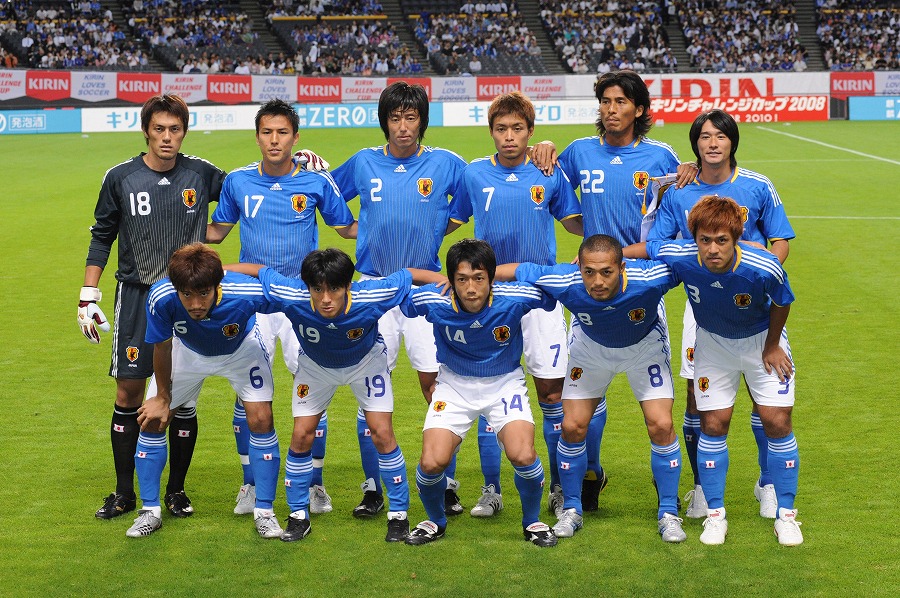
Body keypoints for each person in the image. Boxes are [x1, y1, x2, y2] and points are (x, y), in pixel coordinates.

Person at [529, 69, 686, 513]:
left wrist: (631, 255)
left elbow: (674, 219)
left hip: (639, 287)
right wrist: (545, 147)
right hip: (593, 285)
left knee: (656, 413)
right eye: (605, 101)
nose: (611, 109)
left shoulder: (660, 157)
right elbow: (553, 192)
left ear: (639, 109)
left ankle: (667, 495)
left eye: (621, 102)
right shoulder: (580, 152)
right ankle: (590, 473)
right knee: (585, 394)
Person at [228, 248, 447, 542]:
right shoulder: (292, 294)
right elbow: (260, 271)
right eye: (317, 289)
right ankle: (298, 516)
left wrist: (447, 281)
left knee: (382, 432)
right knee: (301, 435)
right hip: (315, 367)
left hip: (366, 364)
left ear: (348, 286)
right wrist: (217, 271)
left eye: (334, 289)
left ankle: (398, 516)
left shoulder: (372, 295)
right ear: (307, 287)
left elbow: (408, 275)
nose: (326, 298)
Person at [206, 99, 357, 518]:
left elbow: (347, 228)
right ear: (257, 137)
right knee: (247, 393)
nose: (274, 140)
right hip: (251, 299)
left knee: (312, 390)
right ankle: (251, 484)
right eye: (267, 132)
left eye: (282, 132)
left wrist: (404, 222)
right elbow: (216, 232)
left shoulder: (315, 182)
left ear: (295, 137)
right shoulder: (238, 181)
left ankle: (315, 484)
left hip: (302, 300)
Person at [78, 94, 225, 521]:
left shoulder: (202, 173)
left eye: (175, 129)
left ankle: (176, 491)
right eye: (159, 128)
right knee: (128, 392)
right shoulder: (120, 177)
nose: (166, 137)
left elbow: (247, 189)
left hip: (188, 298)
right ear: (146, 130)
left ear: (184, 132)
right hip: (137, 297)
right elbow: (102, 235)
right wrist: (88, 293)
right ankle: (124, 492)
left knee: (180, 398)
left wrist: (297, 163)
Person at [645, 109, 795, 520]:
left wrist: (765, 270)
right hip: (703, 307)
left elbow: (780, 240)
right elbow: (658, 243)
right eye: (705, 137)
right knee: (699, 400)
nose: (713, 143)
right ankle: (701, 486)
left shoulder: (757, 185)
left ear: (732, 142)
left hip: (754, 304)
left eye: (721, 136)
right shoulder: (679, 191)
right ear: (695, 144)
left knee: (765, 400)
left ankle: (768, 482)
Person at [330, 82, 469, 518]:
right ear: (384, 122)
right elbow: (327, 197)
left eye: (411, 118)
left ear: (422, 121)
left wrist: (435, 228)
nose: (403, 126)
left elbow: (471, 198)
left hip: (427, 291)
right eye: (395, 118)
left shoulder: (446, 163)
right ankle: (373, 488)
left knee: (437, 386)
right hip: (372, 290)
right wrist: (357, 230)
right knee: (370, 389)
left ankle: (445, 482)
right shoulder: (364, 162)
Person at [495, 234, 685, 542]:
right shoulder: (565, 280)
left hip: (644, 348)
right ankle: (572, 509)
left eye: (606, 272)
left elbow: (692, 260)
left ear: (622, 267)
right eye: (589, 272)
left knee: (661, 424)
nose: (597, 281)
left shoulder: (650, 278)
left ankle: (668, 513)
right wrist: (469, 277)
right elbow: (518, 270)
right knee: (572, 426)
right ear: (579, 268)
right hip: (591, 350)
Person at [447, 91, 583, 519]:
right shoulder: (473, 174)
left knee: (552, 393)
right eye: (501, 129)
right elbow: (448, 221)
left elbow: (576, 223)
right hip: (491, 299)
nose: (509, 137)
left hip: (541, 298)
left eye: (518, 129)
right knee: (488, 389)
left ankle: (558, 487)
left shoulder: (549, 172)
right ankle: (492, 489)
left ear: (531, 131)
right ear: (491, 132)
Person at [638, 195, 803, 546]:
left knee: (777, 420)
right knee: (713, 423)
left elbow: (782, 300)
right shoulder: (681, 254)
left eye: (722, 240)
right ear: (693, 238)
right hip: (713, 345)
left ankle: (786, 515)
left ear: (737, 237)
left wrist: (773, 345)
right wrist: (598, 257)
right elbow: (646, 248)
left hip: (762, 341)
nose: (713, 249)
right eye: (705, 240)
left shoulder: (763, 265)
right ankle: (715, 516)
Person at [401, 239, 558, 548]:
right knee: (431, 463)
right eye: (461, 279)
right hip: (453, 386)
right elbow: (398, 294)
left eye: (479, 278)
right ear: (450, 280)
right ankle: (435, 521)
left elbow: (552, 290)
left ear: (491, 278)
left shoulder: (515, 297)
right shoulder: (434, 300)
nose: (471, 288)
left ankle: (532, 522)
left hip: (505, 383)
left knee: (523, 455)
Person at [127, 244, 284, 539]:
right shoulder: (161, 297)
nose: (196, 304)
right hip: (187, 352)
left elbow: (295, 304)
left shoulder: (246, 293)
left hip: (242, 351)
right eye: (187, 294)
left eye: (203, 293)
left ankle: (264, 512)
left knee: (262, 419)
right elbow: (161, 347)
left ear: (217, 285)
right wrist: (162, 397)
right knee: (152, 420)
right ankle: (149, 511)